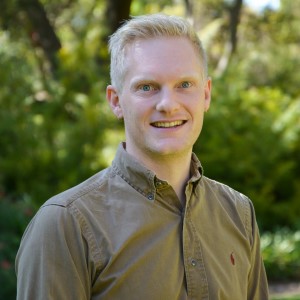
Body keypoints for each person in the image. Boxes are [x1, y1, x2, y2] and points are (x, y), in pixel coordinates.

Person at [16, 13, 269, 299]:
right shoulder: (66, 224)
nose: (168, 104)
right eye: (147, 87)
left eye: (185, 85)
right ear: (116, 101)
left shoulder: (238, 211)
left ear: (206, 94)